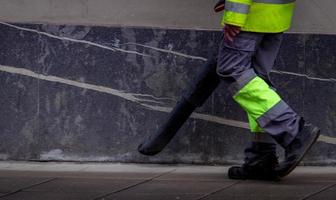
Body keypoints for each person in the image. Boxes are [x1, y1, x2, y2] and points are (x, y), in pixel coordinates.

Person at [214, 0, 320, 180]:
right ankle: (261, 157)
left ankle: (293, 132)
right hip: (276, 14)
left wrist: (235, 14)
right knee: (256, 80)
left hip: (251, 15)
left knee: (233, 70)